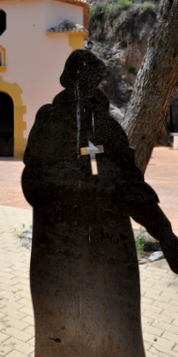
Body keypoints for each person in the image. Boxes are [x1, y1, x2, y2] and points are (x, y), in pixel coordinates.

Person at [22, 49, 178, 357]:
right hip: (58, 253)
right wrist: (75, 181)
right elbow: (33, 183)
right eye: (86, 81)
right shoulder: (49, 120)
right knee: (63, 337)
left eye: (96, 81)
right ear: (70, 82)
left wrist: (166, 234)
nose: (92, 88)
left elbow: (131, 184)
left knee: (113, 337)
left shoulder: (106, 126)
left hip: (106, 254)